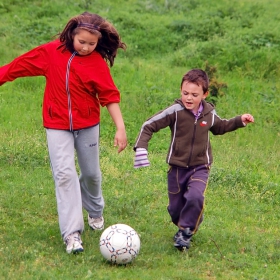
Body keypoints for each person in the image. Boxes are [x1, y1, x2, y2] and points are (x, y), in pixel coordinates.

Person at [0, 12, 127, 254]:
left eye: (92, 44)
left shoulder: (97, 62)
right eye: (82, 42)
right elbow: (19, 65)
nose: (87, 48)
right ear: (71, 35)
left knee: (91, 174)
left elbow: (109, 95)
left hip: (88, 124)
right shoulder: (51, 52)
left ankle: (95, 209)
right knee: (64, 175)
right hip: (56, 124)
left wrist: (120, 128)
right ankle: (72, 234)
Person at [133, 69, 254, 251]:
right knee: (175, 210)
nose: (188, 98)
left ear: (204, 94)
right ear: (181, 91)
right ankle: (188, 219)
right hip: (176, 167)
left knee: (195, 196)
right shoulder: (175, 111)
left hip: (200, 166)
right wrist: (141, 147)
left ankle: (185, 232)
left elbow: (221, 126)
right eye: (185, 93)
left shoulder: (209, 114)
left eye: (194, 95)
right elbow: (149, 125)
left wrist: (240, 120)